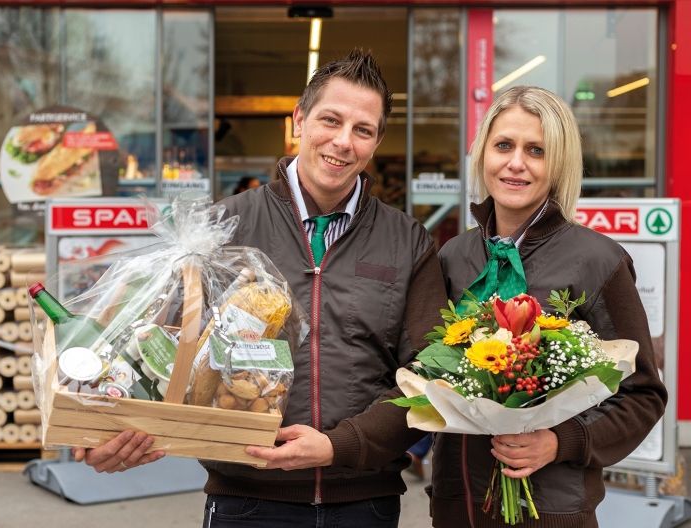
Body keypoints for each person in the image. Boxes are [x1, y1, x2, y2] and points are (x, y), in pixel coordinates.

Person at [72, 49, 447, 527]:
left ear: (377, 142)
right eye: (330, 120)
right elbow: (155, 341)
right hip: (245, 500)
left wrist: (339, 445)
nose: (343, 142)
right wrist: (108, 429)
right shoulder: (224, 228)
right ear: (299, 119)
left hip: (364, 503)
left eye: (363, 130)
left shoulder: (407, 241)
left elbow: (428, 374)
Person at [432, 85, 667, 527]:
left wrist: (561, 441)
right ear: (483, 154)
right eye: (504, 145)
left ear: (557, 164)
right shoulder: (453, 257)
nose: (516, 163)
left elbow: (643, 396)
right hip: (457, 505)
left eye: (536, 150)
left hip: (551, 511)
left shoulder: (599, 260)